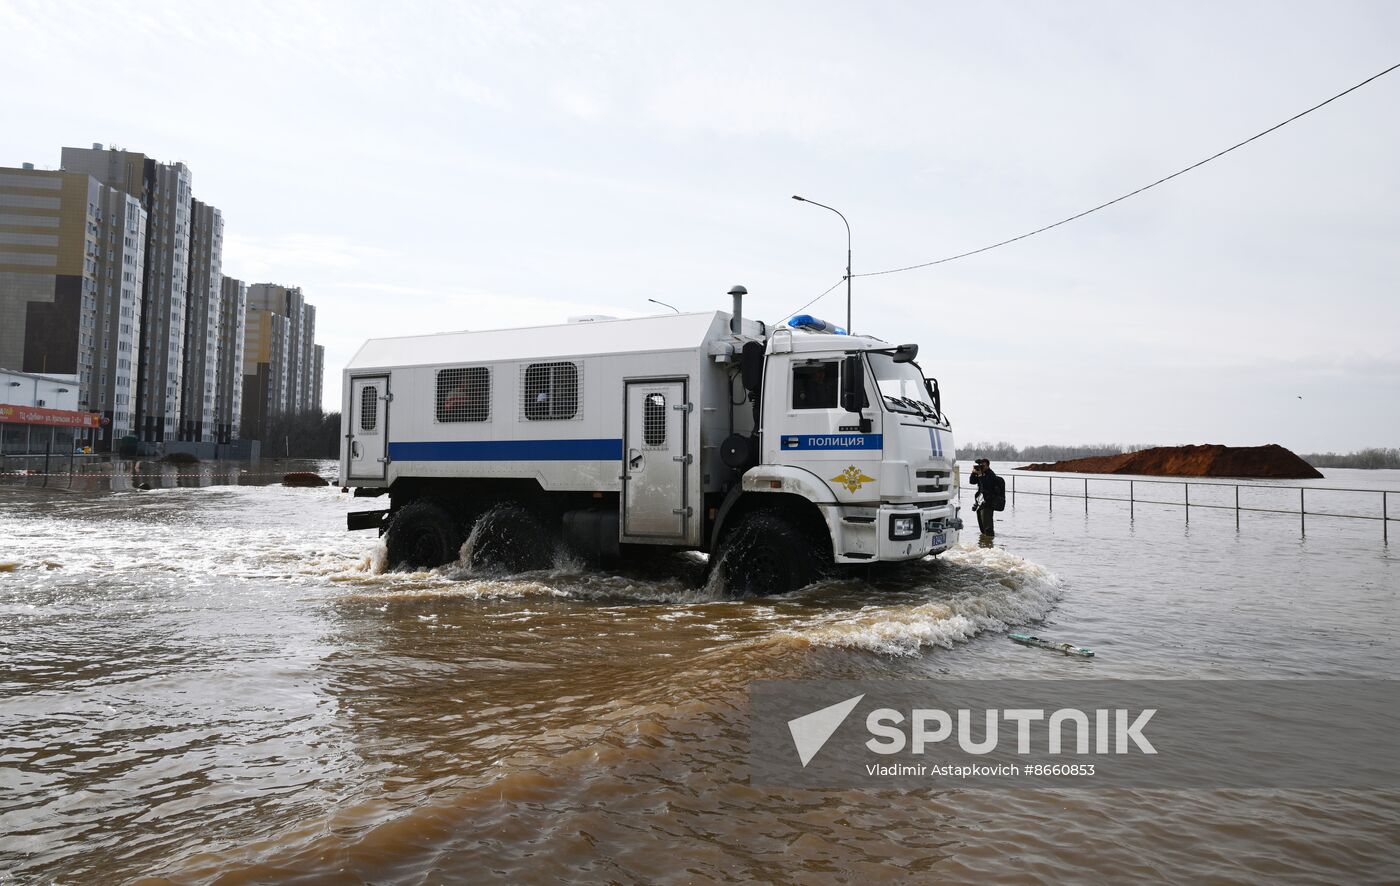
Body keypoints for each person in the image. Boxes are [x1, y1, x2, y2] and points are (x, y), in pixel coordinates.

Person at [968, 458, 1001, 537]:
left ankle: (990, 542)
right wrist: (973, 473)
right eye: (980, 465)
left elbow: (986, 485)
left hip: (988, 502)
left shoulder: (991, 474)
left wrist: (980, 475)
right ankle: (984, 542)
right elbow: (972, 481)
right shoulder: (980, 473)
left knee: (987, 526)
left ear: (987, 466)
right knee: (981, 524)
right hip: (980, 502)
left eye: (983, 465)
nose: (981, 467)